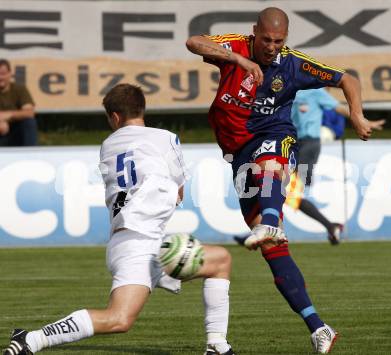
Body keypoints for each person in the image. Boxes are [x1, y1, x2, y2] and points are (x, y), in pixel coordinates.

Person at [187, 7, 382, 353]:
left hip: (274, 135)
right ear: (254, 33)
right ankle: (319, 327)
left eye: (279, 41)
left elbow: (347, 79)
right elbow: (193, 41)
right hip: (236, 151)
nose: (272, 47)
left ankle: (272, 221)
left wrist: (356, 114)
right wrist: (239, 60)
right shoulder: (236, 47)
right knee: (272, 250)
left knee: (271, 167)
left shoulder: (294, 64)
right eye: (266, 40)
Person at [3, 84, 235, 355]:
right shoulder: (165, 138)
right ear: (142, 109)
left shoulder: (108, 145)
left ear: (114, 117)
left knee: (220, 261)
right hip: (138, 243)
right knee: (118, 319)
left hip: (137, 238)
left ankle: (217, 345)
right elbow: (178, 192)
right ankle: (32, 339)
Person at [292, 88, 385, 185]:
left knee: (300, 178)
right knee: (292, 177)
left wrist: (362, 121)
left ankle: (301, 197)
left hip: (309, 141)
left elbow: (339, 108)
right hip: (291, 142)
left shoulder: (315, 91)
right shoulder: (290, 89)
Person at [234, 172, 343, 245]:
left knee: (290, 198)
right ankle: (261, 232)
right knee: (266, 197)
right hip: (277, 161)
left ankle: (331, 226)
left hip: (280, 163)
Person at [0, 59, 37, 146]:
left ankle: (31, 155)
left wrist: (8, 115)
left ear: (10, 74)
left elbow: (30, 113)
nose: (0, 77)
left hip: (16, 132)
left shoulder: (19, 89)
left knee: (29, 122)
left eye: (3, 74)